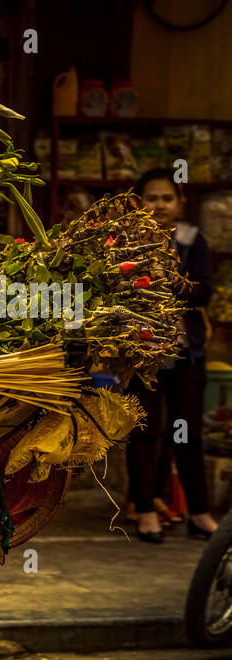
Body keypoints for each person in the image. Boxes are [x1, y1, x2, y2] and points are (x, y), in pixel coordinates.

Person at [125, 168, 216, 542]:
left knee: (188, 435)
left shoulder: (192, 240)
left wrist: (164, 281)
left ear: (179, 203)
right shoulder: (126, 241)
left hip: (185, 354)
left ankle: (199, 512)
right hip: (142, 354)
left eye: (167, 198)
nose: (159, 205)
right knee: (146, 432)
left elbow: (204, 292)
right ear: (139, 202)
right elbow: (120, 291)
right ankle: (145, 509)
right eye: (151, 197)